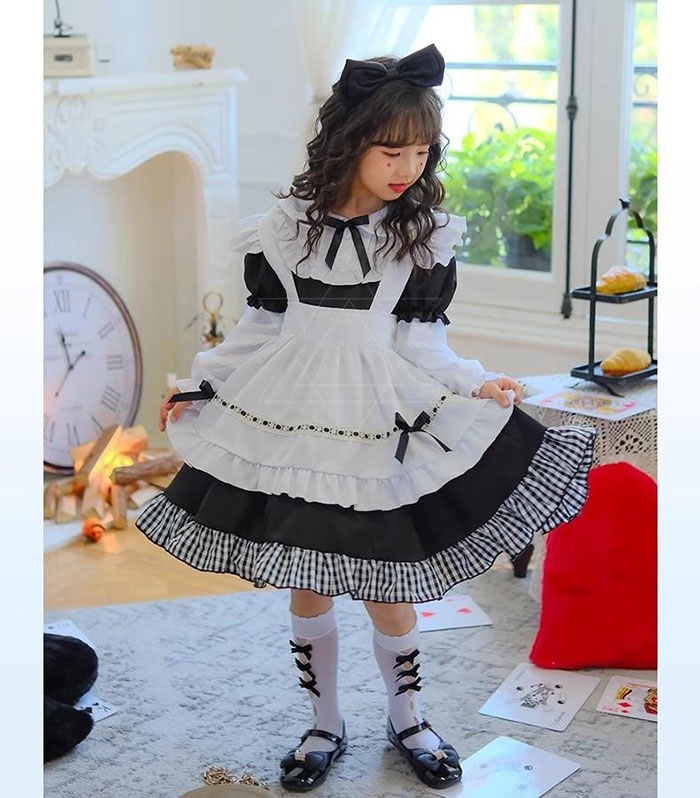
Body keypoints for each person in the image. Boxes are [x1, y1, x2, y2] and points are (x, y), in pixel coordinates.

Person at [135, 43, 596, 793]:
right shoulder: (281, 231)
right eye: (391, 150)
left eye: (421, 151)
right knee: (307, 583)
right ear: (350, 143)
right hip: (289, 419)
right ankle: (324, 722)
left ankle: (407, 718)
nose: (408, 166)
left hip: (378, 420)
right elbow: (261, 327)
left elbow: (421, 343)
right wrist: (202, 384)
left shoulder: (420, 237)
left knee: (388, 587)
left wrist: (474, 383)